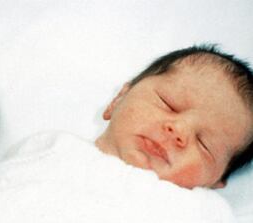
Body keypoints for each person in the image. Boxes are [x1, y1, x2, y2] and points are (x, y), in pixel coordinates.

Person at [95, 45, 253, 189]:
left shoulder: (200, 215)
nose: (178, 129)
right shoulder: (71, 154)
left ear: (215, 183)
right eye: (168, 104)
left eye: (204, 144)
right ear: (119, 99)